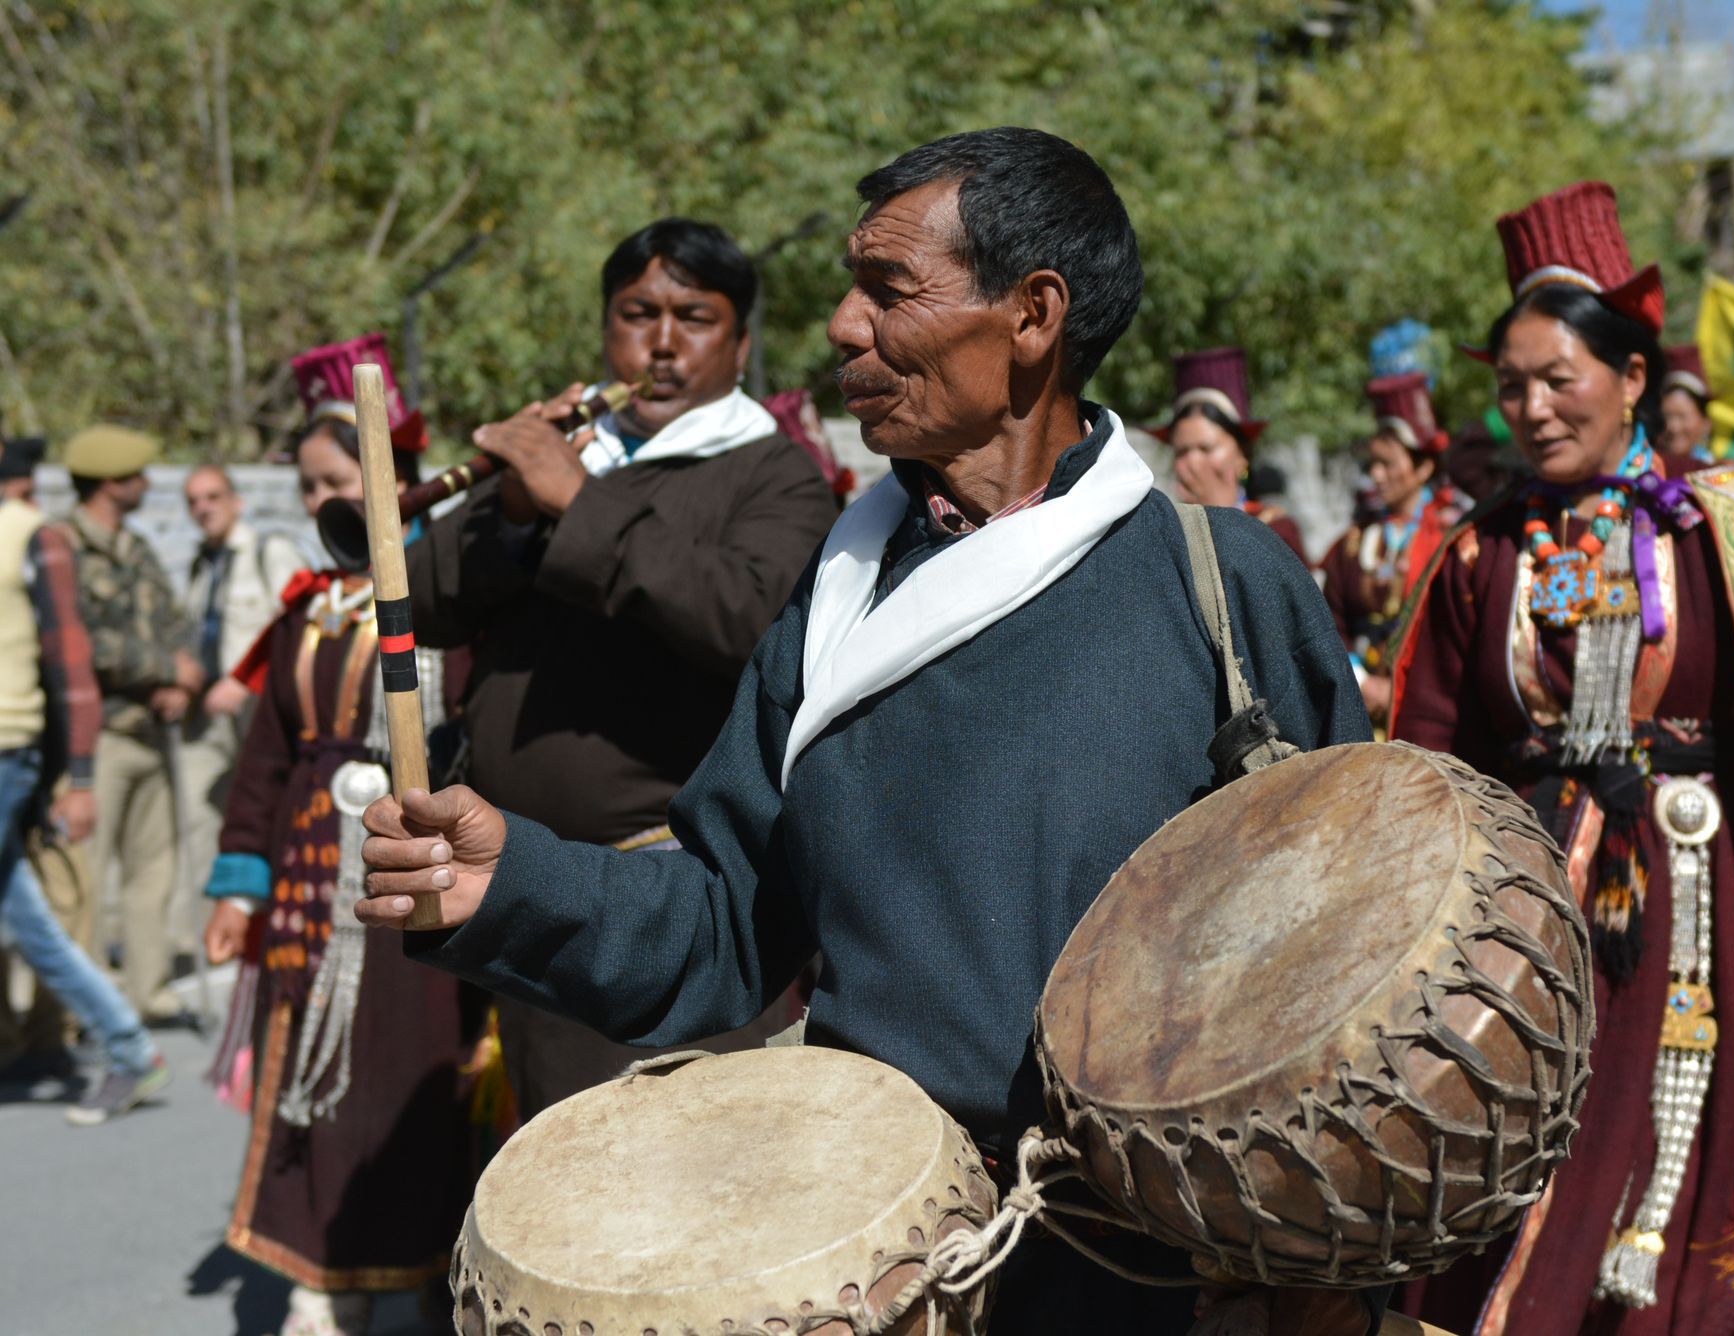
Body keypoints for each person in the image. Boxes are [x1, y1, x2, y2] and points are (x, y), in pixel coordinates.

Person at [361, 128, 1375, 1335]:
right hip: (879, 1273)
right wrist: (505, 883)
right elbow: (728, 920)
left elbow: (1353, 971)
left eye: (888, 290)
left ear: (1033, 316)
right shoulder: (838, 595)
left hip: (1156, 1277)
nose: (843, 326)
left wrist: (1323, 1290)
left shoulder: (1223, 588)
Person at [1390, 181, 1734, 1335]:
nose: (1532, 407)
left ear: (1628, 379)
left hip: (1684, 899)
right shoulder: (1479, 552)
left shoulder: (1722, 529)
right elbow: (1427, 740)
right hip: (1518, 906)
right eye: (1511, 386)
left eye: (1558, 379)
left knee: (1671, 1139)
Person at [403, 220, 837, 1119]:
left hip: (661, 905)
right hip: (509, 877)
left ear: (742, 343)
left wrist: (579, 504)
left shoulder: (774, 475)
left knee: (655, 1177)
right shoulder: (575, 454)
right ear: (608, 329)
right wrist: (515, 512)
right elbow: (419, 602)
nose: (664, 343)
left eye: (696, 317)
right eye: (639, 314)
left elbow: (747, 619)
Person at [200, 339, 478, 1336]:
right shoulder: (305, 612)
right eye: (312, 486)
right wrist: (238, 889)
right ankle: (314, 1280)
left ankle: (404, 1279)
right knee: (306, 1089)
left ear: (399, 482)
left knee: (405, 1078)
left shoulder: (451, 610)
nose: (328, 504)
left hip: (410, 878)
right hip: (307, 892)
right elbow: (263, 763)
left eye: (343, 481)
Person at [0, 429, 170, 1122]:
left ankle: (127, 1045)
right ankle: (129, 1048)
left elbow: (72, 662)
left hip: (12, 748)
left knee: (38, 908)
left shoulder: (34, 534)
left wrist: (75, 775)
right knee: (23, 910)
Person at [59, 425, 202, 1024]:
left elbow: (174, 621)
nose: (148, 484)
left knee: (154, 871)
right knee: (84, 883)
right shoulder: (62, 547)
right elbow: (82, 641)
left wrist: (178, 684)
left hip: (150, 730)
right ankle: (81, 1009)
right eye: (139, 475)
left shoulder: (137, 547)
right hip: (95, 741)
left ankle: (147, 992)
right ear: (112, 482)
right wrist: (168, 667)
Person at [177, 464, 308, 945]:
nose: (203, 508)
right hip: (211, 717)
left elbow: (296, 626)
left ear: (237, 501)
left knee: (268, 809)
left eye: (212, 496)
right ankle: (215, 924)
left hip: (260, 711)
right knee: (211, 819)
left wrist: (243, 680)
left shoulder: (268, 552)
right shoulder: (200, 565)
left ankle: (270, 920)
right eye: (193, 501)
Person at [1321, 369, 1456, 723]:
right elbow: (1329, 621)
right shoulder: (1351, 546)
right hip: (1362, 701)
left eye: (1388, 463)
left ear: (1424, 467)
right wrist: (1361, 681)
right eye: (1373, 463)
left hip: (1429, 704)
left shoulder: (1452, 538)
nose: (1376, 475)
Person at [1161, 346, 1309, 560]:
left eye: (1206, 449)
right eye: (1182, 451)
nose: (1192, 462)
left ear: (1243, 453)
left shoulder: (1275, 532)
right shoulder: (1165, 539)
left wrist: (1216, 514)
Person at [1658, 344, 1714, 463]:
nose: (1673, 427)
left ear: (1706, 423)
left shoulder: (1718, 476)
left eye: (1682, 416)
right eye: (1666, 416)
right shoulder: (1642, 472)